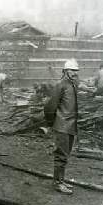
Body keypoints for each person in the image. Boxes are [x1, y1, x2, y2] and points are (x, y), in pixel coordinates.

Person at [44, 58, 79, 194]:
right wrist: (51, 123)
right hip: (62, 126)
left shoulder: (73, 85)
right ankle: (57, 183)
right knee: (61, 155)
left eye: (76, 71)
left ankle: (60, 181)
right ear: (65, 71)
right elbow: (49, 106)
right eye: (72, 70)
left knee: (65, 155)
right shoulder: (60, 85)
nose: (74, 73)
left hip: (70, 126)